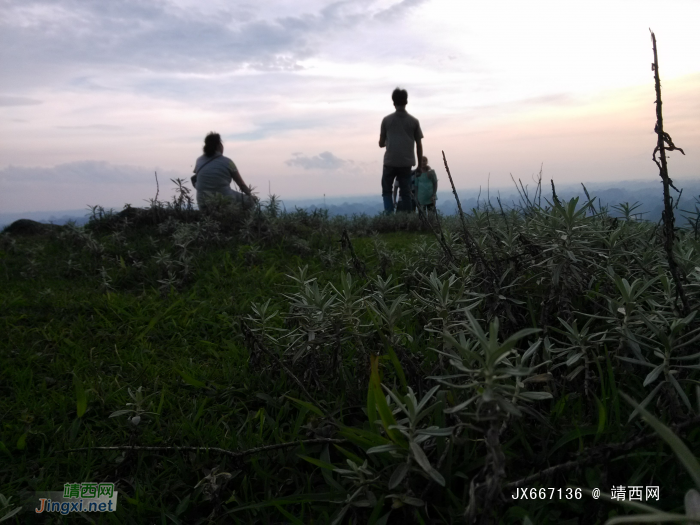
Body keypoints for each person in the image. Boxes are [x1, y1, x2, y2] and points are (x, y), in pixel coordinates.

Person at [379, 88, 423, 214]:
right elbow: (419, 144)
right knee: (406, 192)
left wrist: (389, 141)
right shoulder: (414, 121)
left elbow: (381, 144)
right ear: (406, 101)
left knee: (387, 190)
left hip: (390, 161)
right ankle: (408, 219)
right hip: (406, 162)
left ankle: (389, 217)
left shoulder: (386, 120)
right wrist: (419, 165)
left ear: (393, 102)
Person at [191, 132, 256, 210]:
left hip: (203, 203)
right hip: (224, 201)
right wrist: (251, 196)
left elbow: (197, 177)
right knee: (250, 202)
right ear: (219, 146)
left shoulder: (199, 160)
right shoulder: (228, 162)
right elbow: (241, 185)